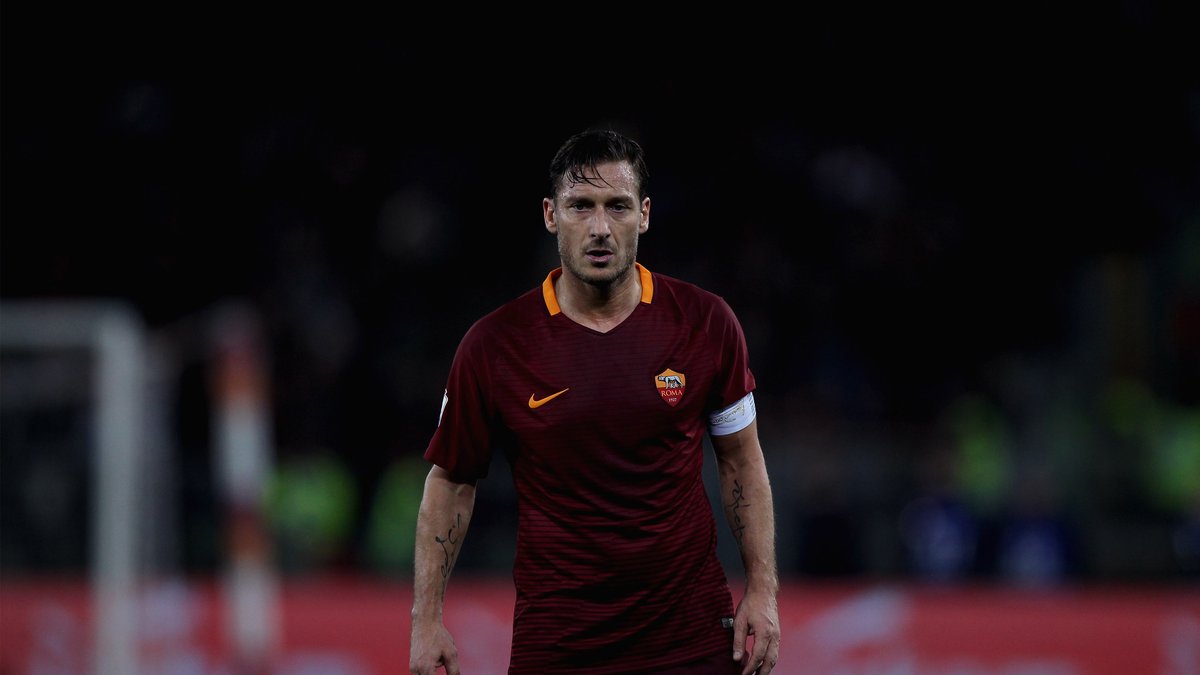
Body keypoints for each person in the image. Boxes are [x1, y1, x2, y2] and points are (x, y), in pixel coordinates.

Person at [409, 128, 781, 675]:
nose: (600, 227)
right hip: (559, 641)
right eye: (581, 205)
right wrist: (426, 620)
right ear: (550, 215)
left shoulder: (706, 323)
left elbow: (742, 460)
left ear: (645, 215)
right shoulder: (495, 345)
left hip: (690, 636)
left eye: (618, 206)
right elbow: (450, 481)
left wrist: (763, 591)